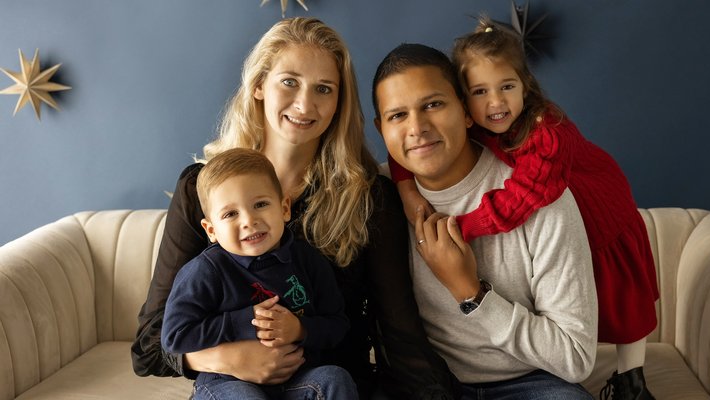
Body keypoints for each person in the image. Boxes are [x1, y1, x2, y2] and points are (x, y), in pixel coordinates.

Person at [132, 17, 459, 400]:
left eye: (324, 88)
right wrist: (227, 359)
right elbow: (150, 345)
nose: (305, 104)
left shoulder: (369, 197)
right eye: (289, 82)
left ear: (339, 103)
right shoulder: (200, 189)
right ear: (258, 87)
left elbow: (399, 333)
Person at [387, 20, 660, 399]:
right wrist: (404, 189)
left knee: (626, 304)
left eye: (507, 87)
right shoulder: (464, 132)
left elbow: (521, 199)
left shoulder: (546, 143)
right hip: (433, 380)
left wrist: (462, 243)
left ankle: (633, 383)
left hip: (601, 211)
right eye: (480, 92)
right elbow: (405, 141)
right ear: (469, 103)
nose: (495, 103)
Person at [373, 42, 598, 399]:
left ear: (466, 110)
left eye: (433, 104)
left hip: (529, 382)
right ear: (381, 129)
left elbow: (576, 357)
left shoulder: (539, 196)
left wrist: (471, 293)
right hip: (426, 383)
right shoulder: (378, 199)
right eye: (398, 116)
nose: (417, 128)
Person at [161, 148, 356, 399]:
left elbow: (337, 325)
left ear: (284, 208)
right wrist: (241, 322)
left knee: (334, 378)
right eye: (231, 214)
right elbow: (175, 337)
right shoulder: (205, 271)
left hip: (297, 383)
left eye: (260, 204)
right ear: (211, 230)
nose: (249, 221)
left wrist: (299, 329)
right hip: (227, 384)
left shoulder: (308, 260)